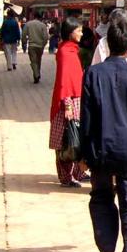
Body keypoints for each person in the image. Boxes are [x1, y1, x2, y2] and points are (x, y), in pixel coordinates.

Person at [81, 17, 127, 252]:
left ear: (107, 45)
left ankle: (106, 248)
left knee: (101, 196)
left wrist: (83, 152)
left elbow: (85, 117)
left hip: (100, 146)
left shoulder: (93, 74)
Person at [49, 17, 86, 187]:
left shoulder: (72, 50)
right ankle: (66, 176)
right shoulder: (65, 52)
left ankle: (79, 171)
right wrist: (68, 104)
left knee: (77, 136)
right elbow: (64, 81)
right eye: (78, 30)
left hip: (76, 98)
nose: (81, 33)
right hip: (68, 101)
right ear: (70, 32)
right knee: (65, 140)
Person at [22, 13, 50, 84]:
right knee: (38, 61)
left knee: (33, 61)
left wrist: (24, 42)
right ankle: (37, 74)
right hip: (40, 46)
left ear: (33, 16)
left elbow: (24, 34)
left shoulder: (28, 24)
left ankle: (36, 74)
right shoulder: (43, 25)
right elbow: (46, 37)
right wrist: (43, 44)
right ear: (40, 18)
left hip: (32, 45)